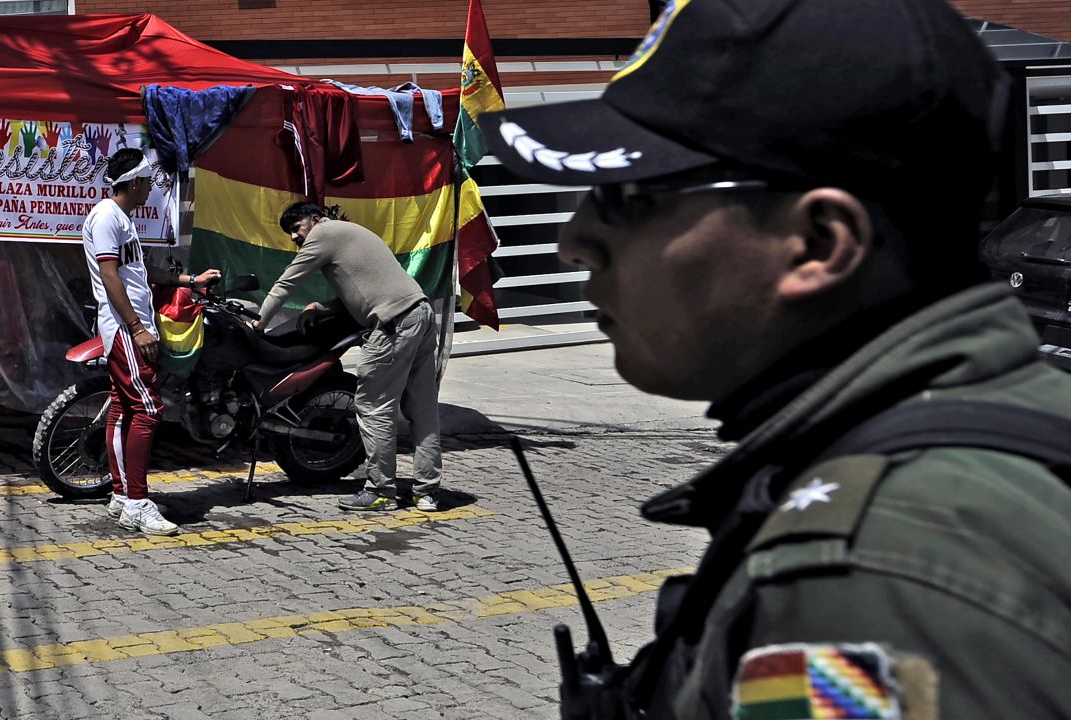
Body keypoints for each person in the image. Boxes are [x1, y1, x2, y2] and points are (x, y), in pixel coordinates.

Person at [481, 0, 1071, 718]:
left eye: (629, 196)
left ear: (820, 243)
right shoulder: (1000, 422)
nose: (574, 239)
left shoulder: (863, 586)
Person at [254, 203, 442, 512]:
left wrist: (258, 322)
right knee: (422, 409)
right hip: (419, 313)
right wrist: (322, 307)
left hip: (392, 325)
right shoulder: (351, 232)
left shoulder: (324, 233)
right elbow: (365, 289)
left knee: (372, 406)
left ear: (315, 219)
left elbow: (287, 282)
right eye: (290, 234)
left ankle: (381, 490)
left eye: (297, 228)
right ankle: (427, 493)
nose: (294, 237)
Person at [84, 147, 220, 536]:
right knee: (148, 409)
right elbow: (110, 277)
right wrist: (138, 327)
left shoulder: (121, 219)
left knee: (123, 409)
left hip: (129, 326)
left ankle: (122, 494)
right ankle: (137, 501)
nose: (150, 189)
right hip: (127, 328)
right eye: (147, 183)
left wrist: (189, 281)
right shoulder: (108, 217)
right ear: (135, 182)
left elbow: (142, 272)